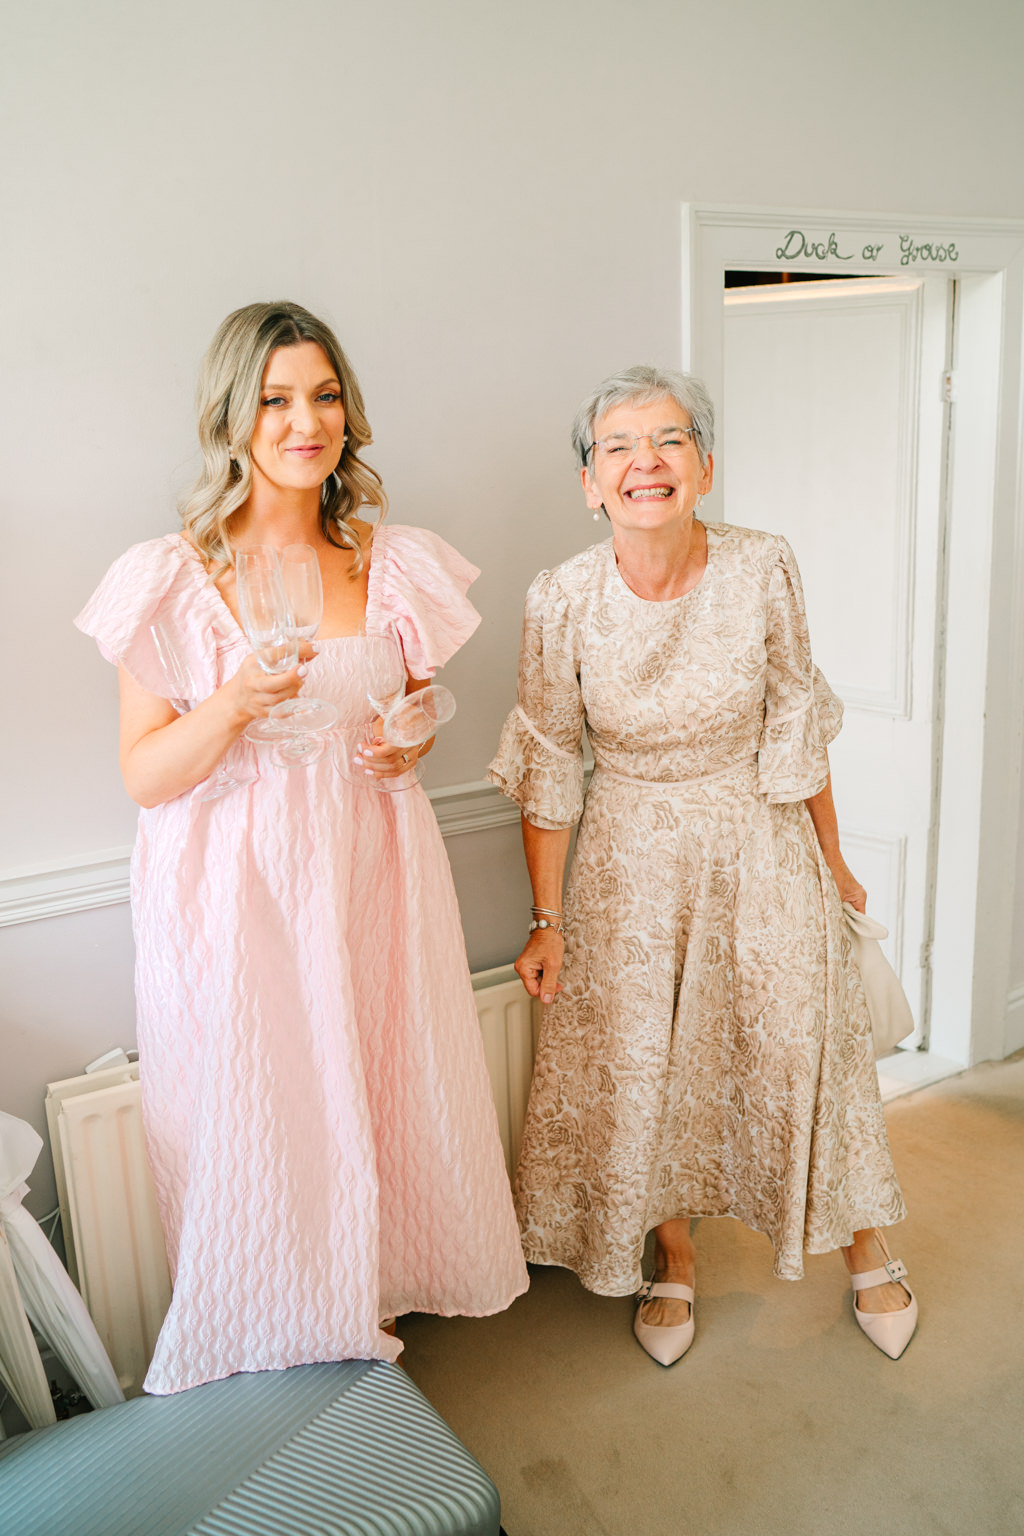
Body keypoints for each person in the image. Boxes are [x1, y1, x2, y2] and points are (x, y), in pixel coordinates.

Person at [76, 301, 527, 1394]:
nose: (304, 421)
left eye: (323, 395)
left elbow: (408, 709)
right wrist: (232, 700)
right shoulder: (171, 577)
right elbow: (144, 774)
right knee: (255, 1110)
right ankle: (265, 1333)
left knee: (385, 1074)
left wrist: (414, 734)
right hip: (233, 890)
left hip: (373, 866)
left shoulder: (390, 558)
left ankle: (369, 1290)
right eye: (276, 399)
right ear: (232, 416)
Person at [487, 365, 918, 1366]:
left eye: (669, 440)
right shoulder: (559, 598)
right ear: (589, 483)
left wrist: (832, 858)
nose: (646, 462)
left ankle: (865, 1241)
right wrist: (547, 921)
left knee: (805, 1039)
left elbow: (794, 718)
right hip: (626, 858)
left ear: (705, 466)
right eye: (618, 448)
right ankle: (671, 1253)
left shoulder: (762, 565)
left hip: (756, 834)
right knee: (648, 1062)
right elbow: (549, 764)